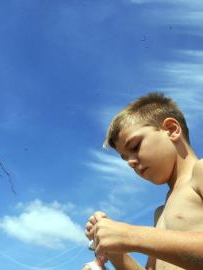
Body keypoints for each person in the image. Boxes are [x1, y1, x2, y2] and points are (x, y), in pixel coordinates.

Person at [82, 92, 203, 270]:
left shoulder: (200, 172)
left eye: (135, 146)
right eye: (125, 158)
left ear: (171, 130)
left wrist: (131, 236)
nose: (131, 162)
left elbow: (138, 238)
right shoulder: (160, 213)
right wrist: (115, 249)